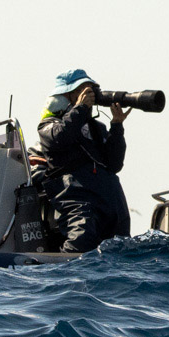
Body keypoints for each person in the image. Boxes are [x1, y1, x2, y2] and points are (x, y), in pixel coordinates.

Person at [36, 69, 131, 253]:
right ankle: (62, 274)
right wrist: (79, 109)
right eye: (81, 90)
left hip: (110, 198)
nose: (89, 94)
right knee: (82, 239)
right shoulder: (48, 126)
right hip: (77, 196)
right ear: (65, 96)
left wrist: (117, 126)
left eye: (91, 90)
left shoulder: (97, 128)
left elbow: (114, 164)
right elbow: (60, 137)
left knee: (120, 247)